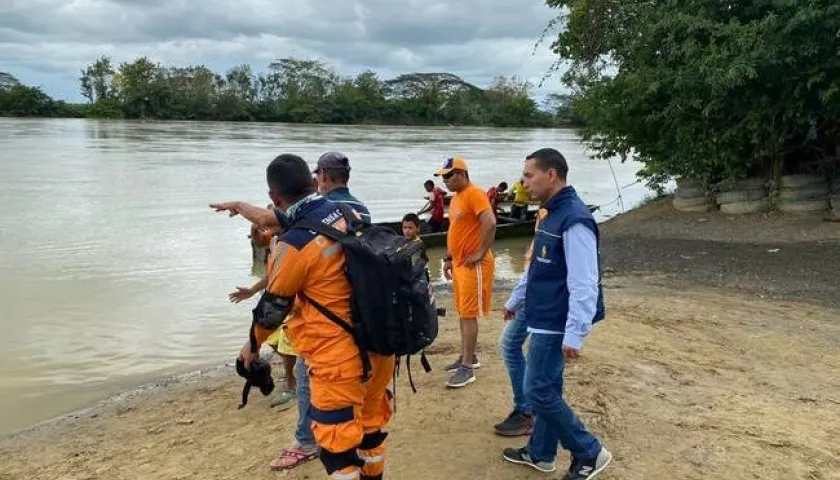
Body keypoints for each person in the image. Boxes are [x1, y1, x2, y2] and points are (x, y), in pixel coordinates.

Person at [210, 151, 373, 471]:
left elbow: (273, 307)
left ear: (274, 195)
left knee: (337, 447)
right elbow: (270, 219)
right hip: (373, 336)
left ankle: (307, 443)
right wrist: (241, 207)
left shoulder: (295, 244)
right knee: (369, 434)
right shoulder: (343, 211)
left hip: (335, 355)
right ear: (313, 183)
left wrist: (251, 345)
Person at [501, 148, 611, 480]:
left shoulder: (575, 219)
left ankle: (589, 452)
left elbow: (585, 282)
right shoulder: (551, 214)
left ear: (551, 175)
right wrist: (516, 299)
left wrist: (576, 332)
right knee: (549, 386)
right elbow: (538, 267)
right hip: (541, 312)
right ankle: (541, 453)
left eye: (529, 176)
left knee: (538, 391)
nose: (524, 183)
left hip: (556, 320)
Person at [433, 157, 496, 388]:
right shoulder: (458, 198)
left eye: (449, 175)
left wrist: (480, 252)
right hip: (460, 263)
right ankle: (468, 356)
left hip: (474, 264)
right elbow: (457, 230)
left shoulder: (474, 193)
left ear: (462, 173)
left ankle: (467, 368)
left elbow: (490, 222)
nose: (446, 181)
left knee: (469, 314)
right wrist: (449, 258)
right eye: (444, 177)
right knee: (462, 311)